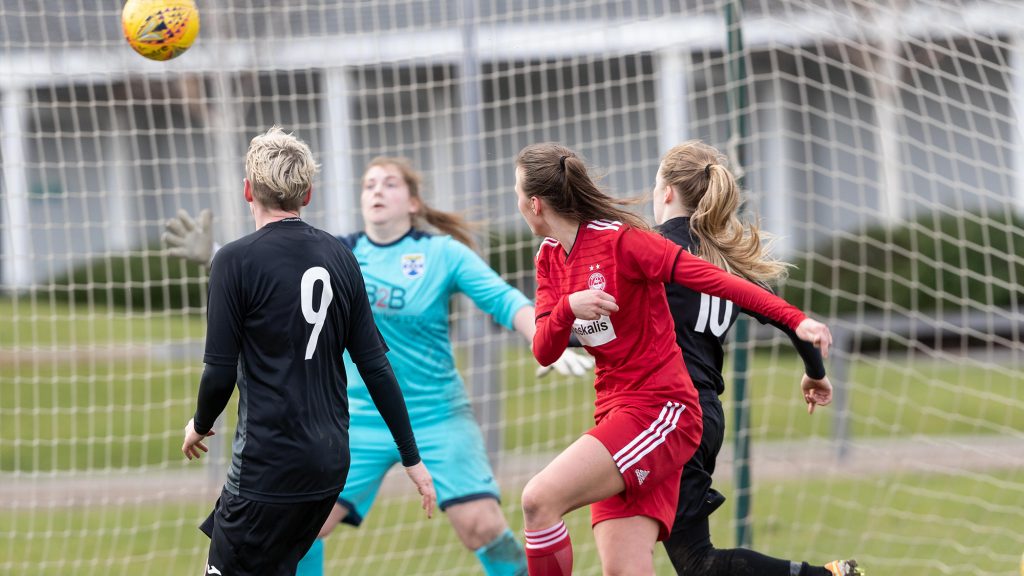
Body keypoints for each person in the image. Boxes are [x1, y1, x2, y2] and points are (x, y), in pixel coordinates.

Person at [166, 156, 594, 576]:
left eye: (389, 183)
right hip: (358, 419)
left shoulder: (442, 253)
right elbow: (270, 270)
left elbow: (502, 299)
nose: (377, 190)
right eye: (369, 184)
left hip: (437, 414)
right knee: (304, 525)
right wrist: (215, 255)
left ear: (412, 202)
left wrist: (543, 341)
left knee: (480, 524)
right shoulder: (340, 252)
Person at [512, 142, 833, 576]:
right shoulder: (551, 256)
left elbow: (717, 281)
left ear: (533, 203)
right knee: (642, 569)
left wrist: (797, 320)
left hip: (664, 410)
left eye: (515, 193)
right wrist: (570, 307)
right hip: (620, 412)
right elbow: (545, 347)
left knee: (538, 498)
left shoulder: (629, 244)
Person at [179, 127, 436, 576]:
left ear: (247, 190)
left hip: (268, 466)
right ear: (308, 193)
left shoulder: (233, 261)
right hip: (329, 465)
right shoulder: (341, 256)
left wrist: (200, 425)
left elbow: (218, 374)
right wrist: (410, 456)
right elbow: (376, 366)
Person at [652, 141, 864, 576]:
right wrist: (815, 374)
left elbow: (608, 320)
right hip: (706, 416)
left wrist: (561, 334)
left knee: (698, 564)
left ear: (668, 191)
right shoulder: (724, 265)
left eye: (655, 183)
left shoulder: (654, 255)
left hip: (670, 416)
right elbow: (792, 320)